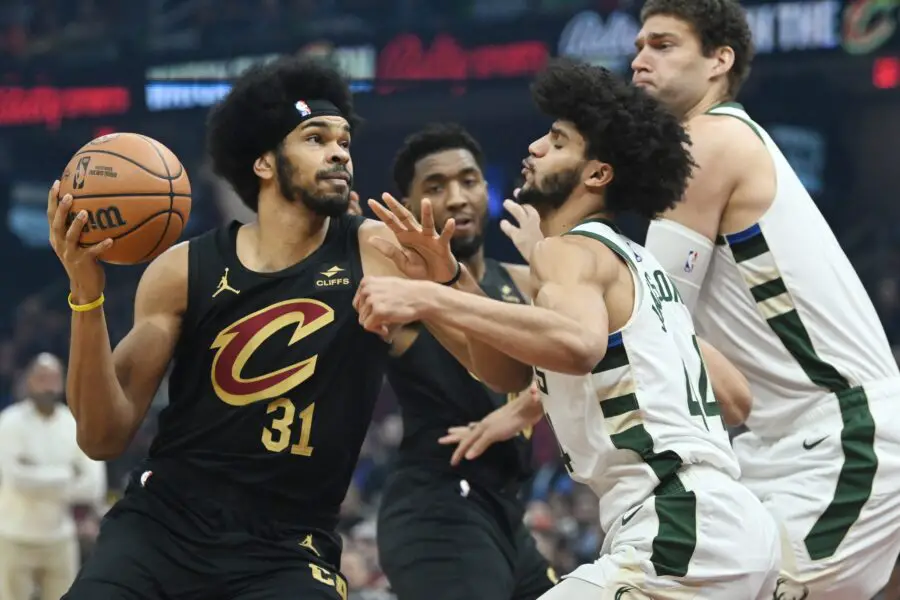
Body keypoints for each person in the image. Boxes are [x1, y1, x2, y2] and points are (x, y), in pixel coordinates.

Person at [353, 59, 780, 599]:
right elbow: (736, 399)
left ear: (597, 173)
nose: (533, 148)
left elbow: (578, 346)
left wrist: (423, 295)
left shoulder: (568, 251)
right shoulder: (638, 267)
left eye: (555, 141)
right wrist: (451, 284)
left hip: (679, 527)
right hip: (731, 525)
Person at [47, 57, 460, 600]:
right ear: (264, 163)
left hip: (287, 545)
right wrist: (86, 292)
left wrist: (447, 288)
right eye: (316, 138)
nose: (340, 151)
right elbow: (101, 437)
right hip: (161, 527)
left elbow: (485, 373)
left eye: (344, 141)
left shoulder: (379, 251)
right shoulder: (181, 270)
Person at [632, 1, 900, 598]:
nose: (639, 60)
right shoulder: (717, 140)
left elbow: (650, 316)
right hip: (787, 441)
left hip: (844, 435)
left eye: (663, 45)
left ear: (719, 60)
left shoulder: (707, 140)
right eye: (638, 47)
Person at [376, 123, 557, 600]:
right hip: (437, 509)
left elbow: (588, 353)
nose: (457, 197)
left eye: (469, 180)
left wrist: (525, 407)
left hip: (506, 512)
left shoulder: (523, 281)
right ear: (409, 206)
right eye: (435, 187)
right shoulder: (402, 293)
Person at [0, 353, 106, 600]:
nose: (48, 385)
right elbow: (16, 479)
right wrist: (68, 475)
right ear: (28, 381)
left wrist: (36, 474)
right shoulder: (9, 422)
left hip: (59, 536)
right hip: (14, 534)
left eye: (54, 378)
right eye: (41, 378)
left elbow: (93, 486)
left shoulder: (73, 424)